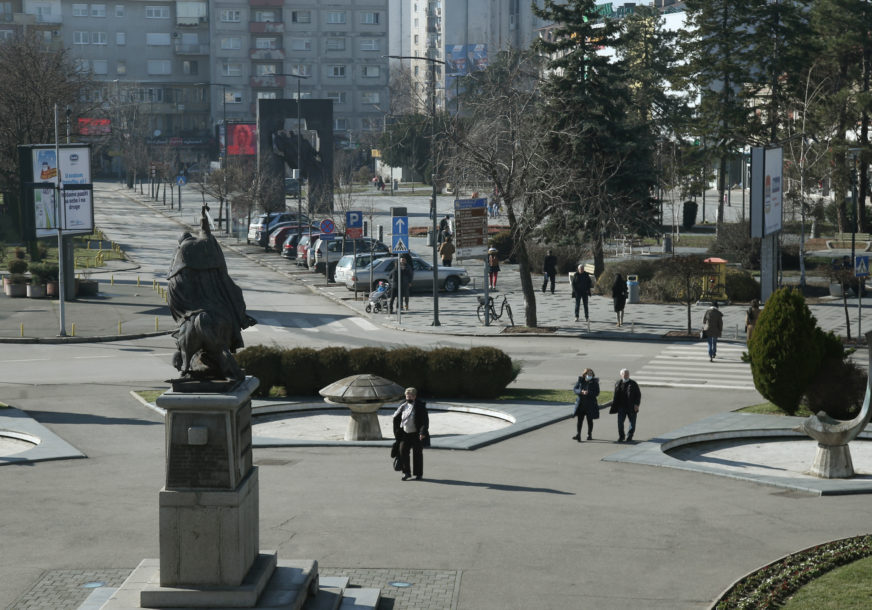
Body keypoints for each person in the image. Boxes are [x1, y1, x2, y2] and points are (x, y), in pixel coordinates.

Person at [392, 387, 429, 480]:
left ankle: (418, 474)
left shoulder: (420, 406)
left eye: (411, 395)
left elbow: (425, 420)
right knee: (403, 451)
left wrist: (422, 432)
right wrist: (397, 431)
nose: (408, 396)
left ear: (415, 396)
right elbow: (396, 418)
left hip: (416, 434)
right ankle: (406, 472)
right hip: (405, 433)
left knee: (417, 453)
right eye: (407, 395)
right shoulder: (402, 405)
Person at [610, 369, 641, 443]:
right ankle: (621, 436)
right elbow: (615, 395)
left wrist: (637, 404)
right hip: (621, 407)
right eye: (624, 374)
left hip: (631, 407)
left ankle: (630, 436)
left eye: (627, 374)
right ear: (621, 375)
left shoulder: (633, 383)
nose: (626, 375)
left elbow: (638, 395)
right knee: (620, 422)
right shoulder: (618, 383)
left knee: (632, 423)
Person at [572, 367, 600, 441]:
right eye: (588, 374)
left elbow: (597, 392)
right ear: (585, 374)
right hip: (581, 405)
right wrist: (581, 392)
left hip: (590, 405)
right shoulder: (581, 381)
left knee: (589, 420)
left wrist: (588, 393)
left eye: (591, 374)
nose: (590, 375)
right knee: (579, 420)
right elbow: (575, 389)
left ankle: (589, 434)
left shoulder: (594, 382)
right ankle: (578, 434)